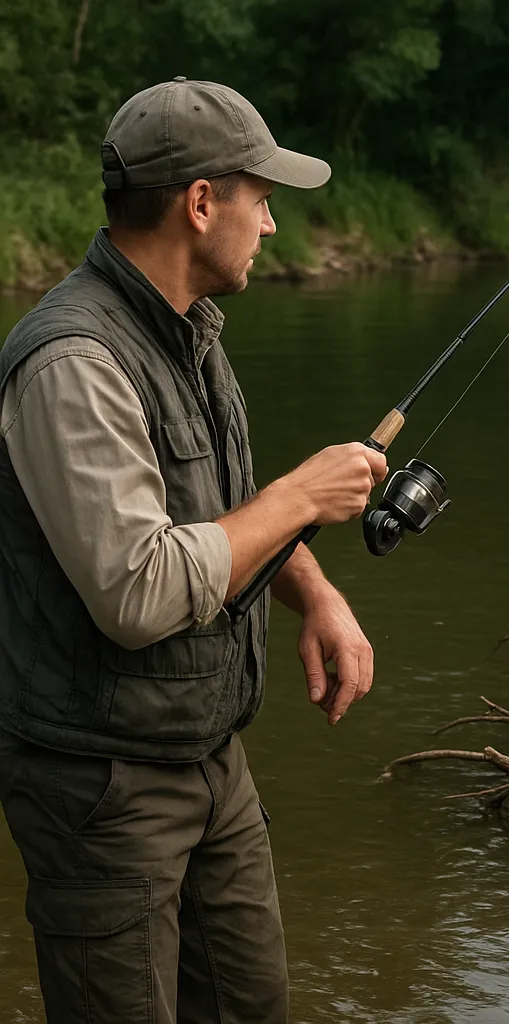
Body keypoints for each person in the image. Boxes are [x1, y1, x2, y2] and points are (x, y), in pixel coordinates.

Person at [0, 78, 387, 1023]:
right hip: (101, 786)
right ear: (201, 202)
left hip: (212, 757)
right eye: (261, 201)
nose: (271, 226)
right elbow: (139, 589)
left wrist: (319, 595)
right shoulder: (72, 366)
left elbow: (221, 514)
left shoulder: (188, 332)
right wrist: (303, 494)